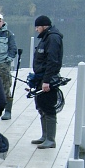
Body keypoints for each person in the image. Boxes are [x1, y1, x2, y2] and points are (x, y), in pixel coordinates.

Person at [31, 15, 64, 149]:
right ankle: (44, 136)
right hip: (40, 78)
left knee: (48, 108)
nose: (36, 30)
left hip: (48, 79)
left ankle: (51, 139)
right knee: (41, 105)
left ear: (44, 26)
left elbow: (52, 61)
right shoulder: (46, 37)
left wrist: (47, 81)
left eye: (37, 27)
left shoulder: (53, 38)